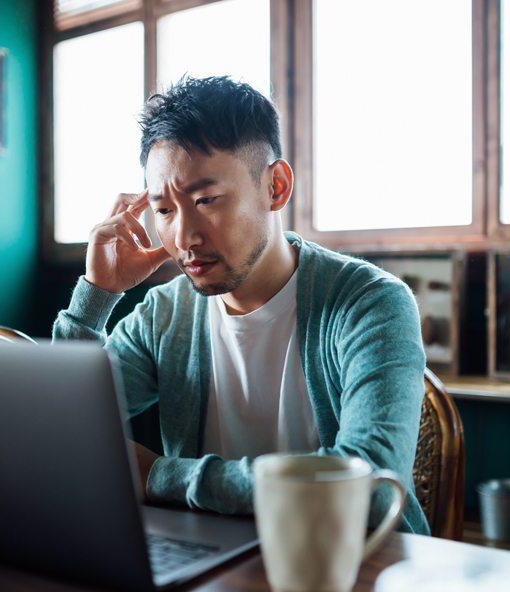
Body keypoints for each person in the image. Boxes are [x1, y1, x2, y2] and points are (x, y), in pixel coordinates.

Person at [53, 76, 429, 534]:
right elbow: (60, 432)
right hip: (210, 572)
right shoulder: (163, 314)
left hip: (356, 570)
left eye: (206, 200)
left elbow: (368, 489)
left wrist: (158, 475)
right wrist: (97, 295)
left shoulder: (370, 303)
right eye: (165, 210)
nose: (185, 238)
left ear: (275, 186)